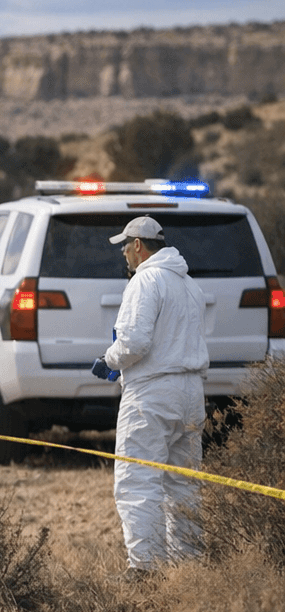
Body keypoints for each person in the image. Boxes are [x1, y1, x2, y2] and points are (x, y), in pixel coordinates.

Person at [92, 215, 209, 574]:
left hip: (152, 393)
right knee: (184, 484)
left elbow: (134, 342)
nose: (124, 254)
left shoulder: (145, 280)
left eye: (126, 247)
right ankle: (187, 567)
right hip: (192, 393)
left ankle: (145, 569)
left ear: (139, 246)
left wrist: (109, 360)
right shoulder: (189, 284)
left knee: (137, 479)